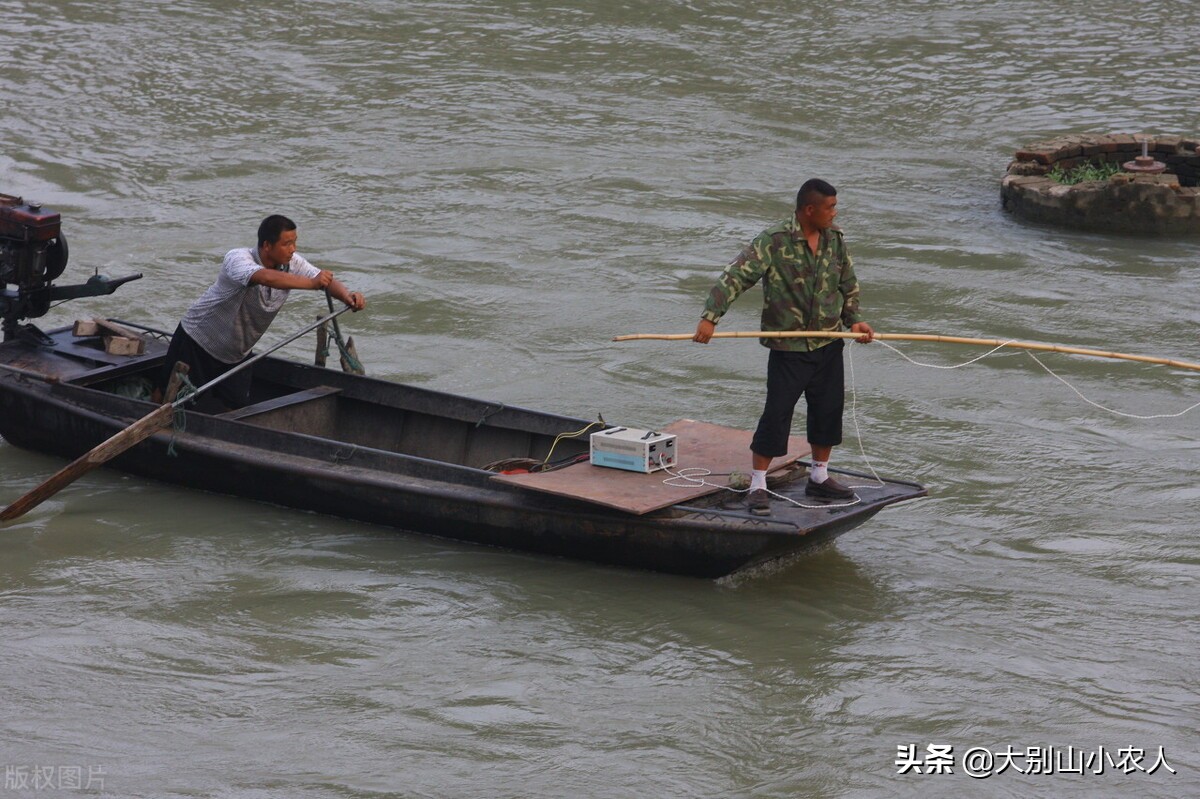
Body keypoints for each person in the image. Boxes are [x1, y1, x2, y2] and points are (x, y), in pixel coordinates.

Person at [693, 179, 873, 515]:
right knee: (777, 414)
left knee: (828, 410)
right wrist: (710, 318)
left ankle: (819, 478)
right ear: (809, 210)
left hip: (828, 342)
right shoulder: (773, 241)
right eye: (830, 207)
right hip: (788, 347)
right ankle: (758, 483)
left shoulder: (835, 240)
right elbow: (735, 276)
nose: (834, 213)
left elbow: (847, 284)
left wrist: (855, 321)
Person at [155, 215, 366, 412]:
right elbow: (264, 277)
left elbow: (321, 278)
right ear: (267, 245)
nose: (293, 249)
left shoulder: (292, 263)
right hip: (197, 341)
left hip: (236, 354)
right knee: (167, 402)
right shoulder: (238, 258)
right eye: (286, 244)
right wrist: (312, 284)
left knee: (237, 410)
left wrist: (347, 296)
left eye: (294, 242)